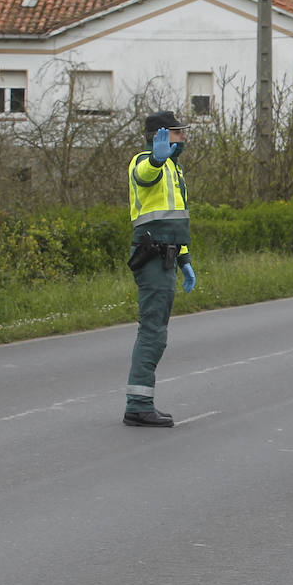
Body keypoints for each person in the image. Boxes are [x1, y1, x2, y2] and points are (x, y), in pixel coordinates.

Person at [123, 111, 197, 428]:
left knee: (157, 331)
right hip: (151, 256)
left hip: (166, 256)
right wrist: (155, 160)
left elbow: (173, 221)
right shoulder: (147, 162)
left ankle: (139, 404)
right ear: (161, 136)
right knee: (153, 332)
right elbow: (143, 175)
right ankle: (138, 405)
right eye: (178, 132)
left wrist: (184, 260)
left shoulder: (175, 170)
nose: (184, 138)